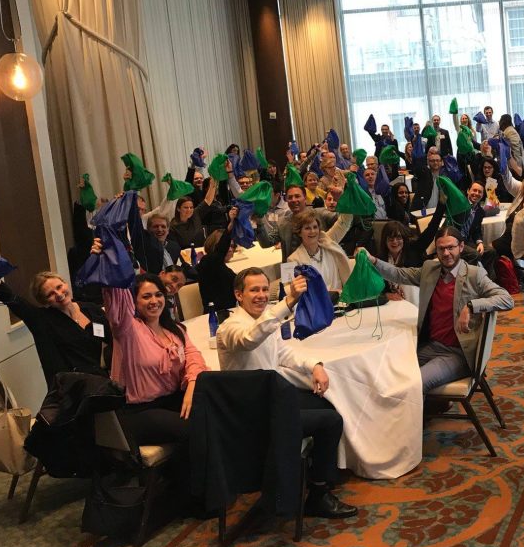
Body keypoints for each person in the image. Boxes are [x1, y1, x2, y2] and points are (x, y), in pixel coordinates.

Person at [217, 269, 358, 518]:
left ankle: (310, 478)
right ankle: (317, 494)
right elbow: (250, 339)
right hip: (254, 414)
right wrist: (287, 302)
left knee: (325, 403)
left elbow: (283, 353)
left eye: (263, 289)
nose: (261, 295)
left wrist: (315, 365)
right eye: (254, 290)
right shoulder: (230, 328)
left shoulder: (263, 320)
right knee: (331, 421)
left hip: (272, 401)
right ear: (238, 295)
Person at [362, 226, 514, 391]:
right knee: (384, 370)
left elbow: (506, 299)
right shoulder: (430, 270)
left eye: (451, 247)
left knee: (413, 384)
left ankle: (420, 413)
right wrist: (374, 261)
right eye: (441, 249)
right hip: (430, 346)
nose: (446, 253)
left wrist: (471, 306)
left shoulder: (474, 275)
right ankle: (426, 408)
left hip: (458, 353)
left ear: (461, 247)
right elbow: (399, 274)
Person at [91, 238, 207, 448]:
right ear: (134, 301)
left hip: (173, 400)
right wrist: (108, 264)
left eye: (158, 295)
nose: (154, 301)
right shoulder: (128, 330)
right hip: (139, 411)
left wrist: (191, 386)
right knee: (195, 429)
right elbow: (117, 302)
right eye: (146, 296)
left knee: (215, 417)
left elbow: (194, 358)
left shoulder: (176, 330)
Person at [0, 269, 109, 384]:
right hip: (74, 392)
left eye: (59, 287)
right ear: (44, 301)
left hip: (106, 382)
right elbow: (15, 302)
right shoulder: (42, 321)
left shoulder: (91, 309)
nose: (58, 294)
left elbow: (114, 337)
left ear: (65, 283)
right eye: (50, 294)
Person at [288, 209, 354, 293]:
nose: (312, 231)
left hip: (342, 302)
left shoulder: (328, 242)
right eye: (307, 228)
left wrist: (346, 200)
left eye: (315, 227)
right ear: (299, 232)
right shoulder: (291, 260)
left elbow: (345, 222)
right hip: (315, 305)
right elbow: (286, 290)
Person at [276, 184, 336, 261]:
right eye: (290, 197)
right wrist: (259, 220)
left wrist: (339, 198)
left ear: (305, 197)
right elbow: (266, 243)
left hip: (319, 265)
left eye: (297, 196)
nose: (294, 200)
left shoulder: (320, 214)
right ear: (286, 200)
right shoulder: (283, 222)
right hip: (291, 268)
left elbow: (344, 220)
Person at [197, 208, 240, 311]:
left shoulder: (219, 265)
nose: (230, 250)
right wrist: (229, 227)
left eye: (232, 246)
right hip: (217, 316)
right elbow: (219, 253)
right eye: (226, 246)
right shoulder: (208, 262)